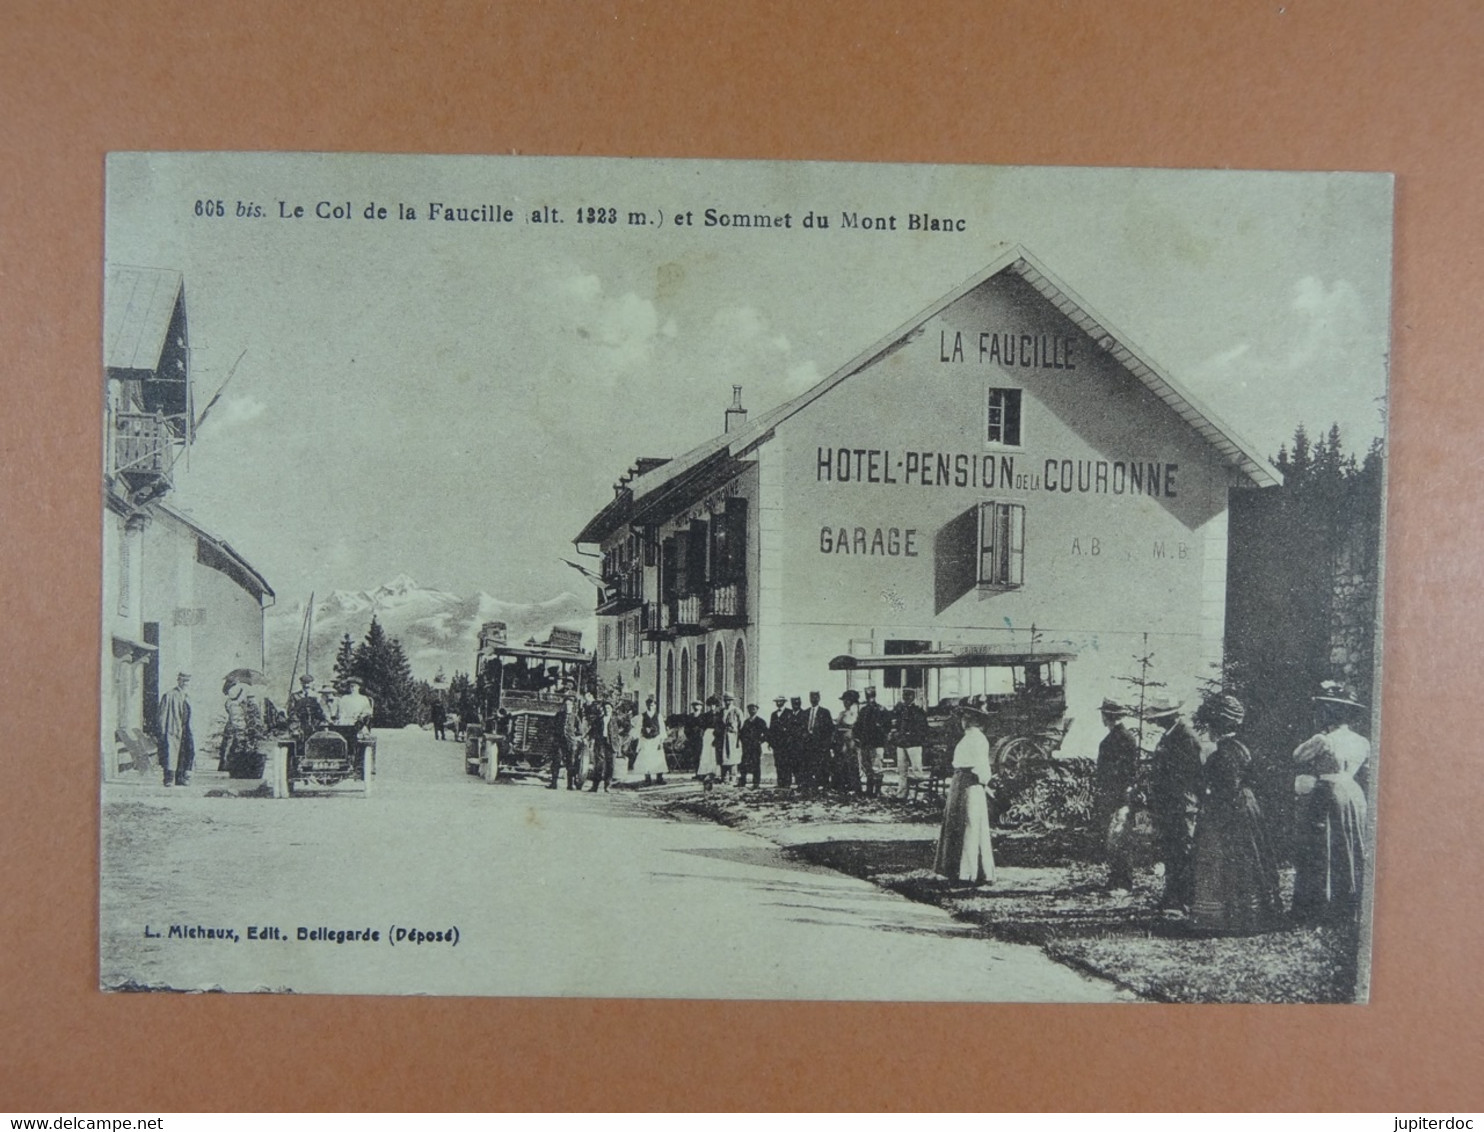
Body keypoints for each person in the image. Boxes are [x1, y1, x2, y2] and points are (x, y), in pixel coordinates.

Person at [1189, 695, 1282, 933]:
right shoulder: (1240, 747)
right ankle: (1253, 910)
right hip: (1248, 806)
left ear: (1214, 726)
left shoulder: (1223, 754)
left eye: (1208, 725)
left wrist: (1210, 804)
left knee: (1231, 860)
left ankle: (1229, 916)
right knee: (1251, 858)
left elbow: (1227, 788)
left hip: (1231, 810)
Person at [1291, 682, 1371, 925]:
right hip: (1353, 793)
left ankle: (1319, 903)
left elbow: (1297, 756)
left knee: (1323, 846)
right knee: (1349, 843)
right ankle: (1345, 900)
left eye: (1325, 709)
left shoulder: (1323, 740)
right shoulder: (1362, 741)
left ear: (1330, 712)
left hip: (1328, 792)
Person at [1147, 694, 1203, 915]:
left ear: (1169, 717)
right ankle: (1171, 896)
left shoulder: (1185, 737)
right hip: (1169, 805)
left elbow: (1193, 775)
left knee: (1182, 851)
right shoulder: (1170, 736)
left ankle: (1184, 900)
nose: (1155, 721)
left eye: (1159, 717)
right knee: (1171, 851)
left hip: (1182, 804)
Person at [933, 704, 996, 885]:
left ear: (976, 720)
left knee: (970, 824)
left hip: (970, 784)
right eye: (963, 717)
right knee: (957, 824)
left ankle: (970, 873)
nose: (964, 720)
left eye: (968, 717)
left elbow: (982, 767)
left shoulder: (978, 739)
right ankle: (955, 870)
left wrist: (981, 782)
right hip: (960, 782)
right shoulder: (967, 738)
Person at [1094, 697, 1141, 890]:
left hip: (1119, 796)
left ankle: (1123, 881)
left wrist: (1121, 795)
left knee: (1120, 838)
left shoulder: (1121, 738)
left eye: (1103, 715)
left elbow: (1127, 771)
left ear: (1108, 716)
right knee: (1114, 838)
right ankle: (1116, 878)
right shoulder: (1119, 736)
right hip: (1113, 795)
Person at [890, 687, 929, 799]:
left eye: (908, 695)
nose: (905, 697)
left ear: (913, 697)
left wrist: (912, 735)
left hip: (914, 744)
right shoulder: (899, 710)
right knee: (902, 771)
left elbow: (923, 729)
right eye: (904, 695)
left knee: (917, 770)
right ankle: (901, 794)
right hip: (902, 744)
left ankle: (920, 795)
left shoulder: (918, 711)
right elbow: (895, 724)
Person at [156, 671, 194, 787]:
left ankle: (180, 778)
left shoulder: (188, 696)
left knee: (186, 752)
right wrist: (162, 731)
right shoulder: (169, 695)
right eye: (183, 680)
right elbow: (162, 715)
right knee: (170, 754)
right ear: (179, 681)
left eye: (188, 681)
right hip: (173, 728)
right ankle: (168, 779)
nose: (185, 683)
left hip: (186, 728)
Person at [854, 685, 892, 797]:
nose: (869, 698)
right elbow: (858, 725)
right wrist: (858, 738)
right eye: (867, 696)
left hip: (877, 743)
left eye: (871, 696)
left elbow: (887, 726)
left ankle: (877, 791)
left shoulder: (881, 710)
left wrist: (881, 733)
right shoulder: (864, 711)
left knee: (877, 768)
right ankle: (870, 790)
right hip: (865, 743)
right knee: (867, 768)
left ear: (874, 696)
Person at [631, 695, 668, 785]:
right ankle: (647, 778)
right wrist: (634, 736)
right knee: (646, 758)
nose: (650, 707)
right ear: (646, 705)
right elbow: (638, 727)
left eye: (652, 705)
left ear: (655, 705)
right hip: (646, 740)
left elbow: (662, 728)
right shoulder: (642, 716)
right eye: (648, 705)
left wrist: (661, 741)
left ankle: (659, 778)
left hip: (656, 740)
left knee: (658, 758)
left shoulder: (658, 716)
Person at [800, 691, 833, 789]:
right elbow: (802, 727)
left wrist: (826, 743)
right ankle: (810, 784)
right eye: (812, 697)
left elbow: (829, 728)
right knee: (809, 763)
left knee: (822, 764)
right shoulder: (805, 712)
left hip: (820, 743)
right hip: (808, 743)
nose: (813, 699)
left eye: (815, 697)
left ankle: (823, 784)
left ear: (819, 698)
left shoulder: (825, 712)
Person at [553, 693, 584, 789]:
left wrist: (576, 738)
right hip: (559, 742)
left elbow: (580, 731)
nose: (567, 707)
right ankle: (553, 783)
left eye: (569, 705)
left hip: (570, 743)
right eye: (565, 705)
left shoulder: (575, 717)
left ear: (572, 706)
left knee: (570, 763)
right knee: (556, 761)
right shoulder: (559, 715)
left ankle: (570, 784)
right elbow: (553, 727)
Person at [834, 689, 861, 792]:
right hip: (841, 741)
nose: (845, 703)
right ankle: (842, 785)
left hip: (850, 741)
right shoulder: (842, 713)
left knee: (852, 763)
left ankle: (854, 786)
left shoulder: (855, 714)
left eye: (848, 700)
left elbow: (853, 725)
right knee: (841, 763)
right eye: (844, 701)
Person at [737, 703, 768, 788]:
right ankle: (742, 782)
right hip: (746, 746)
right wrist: (742, 742)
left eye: (754, 709)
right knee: (744, 764)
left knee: (756, 764)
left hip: (755, 746)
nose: (752, 710)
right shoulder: (746, 722)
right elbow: (741, 733)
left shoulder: (760, 721)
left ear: (757, 710)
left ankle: (756, 783)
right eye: (750, 709)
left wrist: (760, 741)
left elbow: (766, 733)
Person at [768, 696, 795, 788]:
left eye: (780, 701)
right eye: (777, 701)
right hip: (777, 743)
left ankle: (787, 783)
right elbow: (771, 729)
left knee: (787, 762)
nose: (778, 703)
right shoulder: (773, 714)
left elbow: (792, 728)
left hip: (787, 743)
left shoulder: (790, 712)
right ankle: (780, 782)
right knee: (778, 762)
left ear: (784, 702)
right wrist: (770, 742)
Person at [695, 699, 721, 791]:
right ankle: (705, 771)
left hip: (716, 734)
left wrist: (718, 734)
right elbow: (702, 725)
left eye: (714, 705)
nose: (712, 707)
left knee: (714, 753)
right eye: (711, 705)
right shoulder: (705, 715)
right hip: (708, 734)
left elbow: (721, 725)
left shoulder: (719, 715)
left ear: (716, 706)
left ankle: (714, 773)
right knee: (706, 753)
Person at [718, 693, 744, 783]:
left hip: (733, 737)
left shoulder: (736, 711)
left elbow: (741, 724)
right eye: (726, 700)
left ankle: (733, 777)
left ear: (732, 701)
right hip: (723, 736)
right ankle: (724, 777)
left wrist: (737, 734)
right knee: (723, 756)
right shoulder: (722, 711)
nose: (727, 702)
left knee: (732, 757)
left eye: (729, 700)